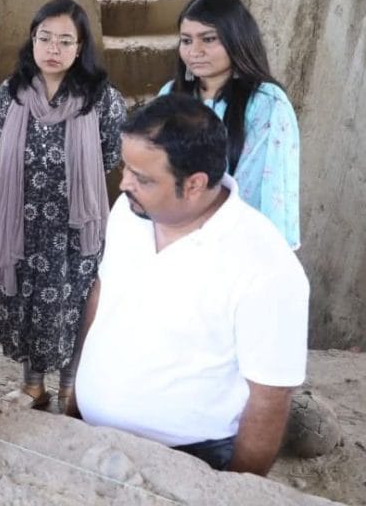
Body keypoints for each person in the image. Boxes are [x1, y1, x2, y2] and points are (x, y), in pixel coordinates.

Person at [69, 94, 309, 475]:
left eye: (142, 177)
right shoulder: (130, 212)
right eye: (125, 167)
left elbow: (270, 396)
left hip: (190, 460)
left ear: (195, 184)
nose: (123, 183)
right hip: (93, 438)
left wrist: (234, 490)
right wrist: (75, 395)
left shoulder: (265, 266)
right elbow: (103, 292)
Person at [0, 0, 126, 411]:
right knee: (26, 303)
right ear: (32, 40)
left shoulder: (101, 99)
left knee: (74, 305)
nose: (53, 48)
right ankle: (33, 386)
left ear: (80, 48)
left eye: (65, 41)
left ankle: (70, 389)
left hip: (74, 228)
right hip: (22, 225)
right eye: (45, 38)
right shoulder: (10, 95)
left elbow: (111, 153)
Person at [159, 0, 300, 249]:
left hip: (236, 243)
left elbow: (256, 187)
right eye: (186, 40)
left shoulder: (266, 103)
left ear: (236, 40)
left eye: (208, 39)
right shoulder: (170, 94)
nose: (194, 51)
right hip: (173, 238)